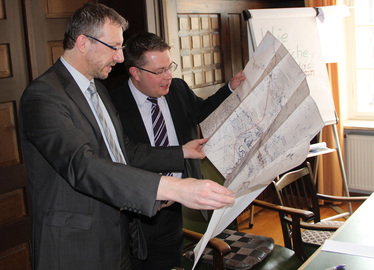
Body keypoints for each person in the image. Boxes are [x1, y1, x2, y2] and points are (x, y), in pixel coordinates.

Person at [18, 4, 235, 270]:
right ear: (83, 43)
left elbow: (124, 153)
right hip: (76, 245)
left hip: (119, 235)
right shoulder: (44, 96)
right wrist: (170, 187)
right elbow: (81, 164)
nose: (121, 58)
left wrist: (179, 157)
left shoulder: (97, 88)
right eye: (114, 47)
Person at [111, 32, 245, 270]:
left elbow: (200, 111)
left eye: (169, 67)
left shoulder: (178, 89)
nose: (168, 77)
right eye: (159, 71)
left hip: (172, 209)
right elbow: (127, 155)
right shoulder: (114, 104)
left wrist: (230, 89)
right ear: (135, 72)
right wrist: (181, 152)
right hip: (136, 215)